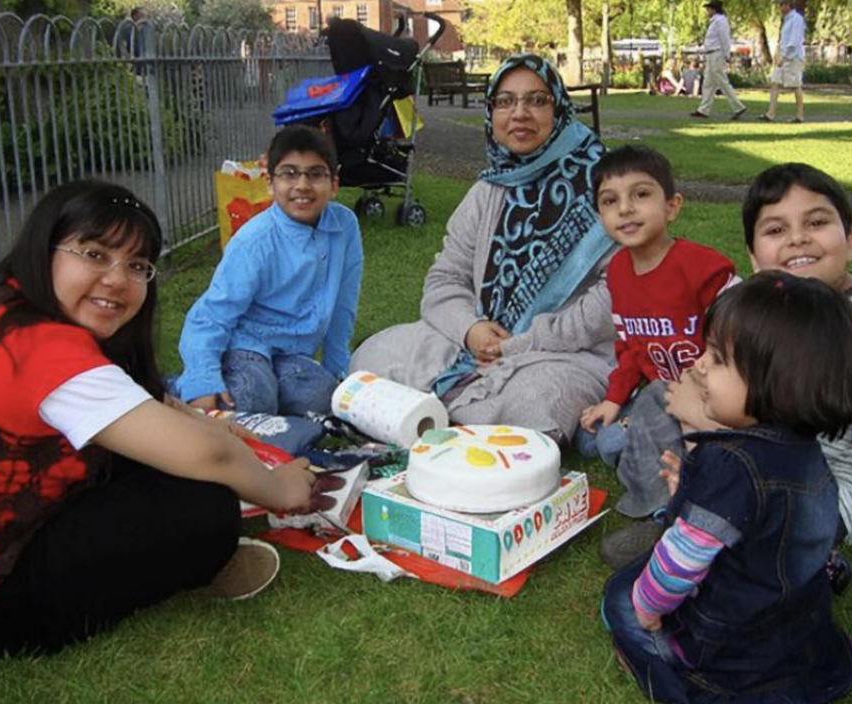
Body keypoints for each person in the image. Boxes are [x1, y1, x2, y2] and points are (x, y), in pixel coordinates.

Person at [0, 180, 338, 664]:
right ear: (45, 249)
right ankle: (191, 565)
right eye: (94, 254)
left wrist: (204, 422)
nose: (117, 279)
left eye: (136, 265)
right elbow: (209, 455)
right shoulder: (47, 353)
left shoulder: (6, 308)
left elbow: (144, 401)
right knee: (206, 509)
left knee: (169, 458)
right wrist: (279, 488)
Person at [614, 163, 852, 562]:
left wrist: (701, 417)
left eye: (816, 222)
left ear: (850, 241)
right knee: (668, 394)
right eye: (776, 230)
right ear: (754, 257)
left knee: (704, 424)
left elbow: (786, 443)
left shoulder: (848, 329)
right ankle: (670, 498)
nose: (798, 239)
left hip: (846, 495)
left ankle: (688, 519)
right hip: (804, 460)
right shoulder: (795, 310)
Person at [602, 270, 852, 704]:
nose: (699, 365)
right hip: (798, 631)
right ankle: (823, 669)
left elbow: (680, 560)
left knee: (620, 596)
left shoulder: (729, 463)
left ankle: (680, 682)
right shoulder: (806, 451)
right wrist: (689, 495)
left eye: (717, 358)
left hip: (731, 657)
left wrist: (648, 610)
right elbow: (775, 526)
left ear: (774, 380)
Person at [350, 54, 616, 442]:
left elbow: (617, 293)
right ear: (491, 114)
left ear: (559, 109)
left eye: (536, 100)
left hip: (561, 353)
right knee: (373, 356)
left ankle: (436, 414)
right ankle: (471, 418)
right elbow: (445, 279)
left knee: (539, 401)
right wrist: (471, 330)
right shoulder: (488, 189)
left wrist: (524, 342)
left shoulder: (604, 186)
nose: (519, 113)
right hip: (474, 343)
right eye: (505, 101)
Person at [575, 146, 737, 518]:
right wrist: (614, 399)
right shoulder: (618, 272)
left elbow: (740, 340)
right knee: (591, 438)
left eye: (641, 194)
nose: (625, 209)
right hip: (660, 396)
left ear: (671, 206)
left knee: (628, 439)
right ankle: (643, 444)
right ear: (600, 216)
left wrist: (705, 400)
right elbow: (631, 347)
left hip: (711, 400)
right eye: (610, 201)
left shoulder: (703, 267)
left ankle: (665, 502)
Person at [176, 125, 363, 416]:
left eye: (315, 174)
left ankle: (270, 387)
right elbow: (212, 314)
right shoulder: (254, 242)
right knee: (253, 398)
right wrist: (202, 381)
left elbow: (343, 303)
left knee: (326, 398)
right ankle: (186, 385)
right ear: (270, 184)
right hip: (245, 343)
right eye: (289, 174)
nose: (302, 185)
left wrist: (337, 368)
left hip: (291, 353)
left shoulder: (345, 226)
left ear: (334, 184)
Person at [690, 1, 747, 120]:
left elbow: (724, 39)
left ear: (714, 10)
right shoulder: (715, 21)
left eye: (709, 9)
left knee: (722, 81)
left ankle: (738, 106)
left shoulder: (720, 21)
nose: (707, 12)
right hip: (711, 54)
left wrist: (726, 55)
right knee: (708, 84)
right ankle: (703, 109)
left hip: (717, 54)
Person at [760, 0, 806, 123]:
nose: (780, 7)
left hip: (793, 58)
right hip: (783, 56)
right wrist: (778, 54)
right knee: (775, 83)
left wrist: (785, 57)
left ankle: (799, 115)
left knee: (795, 85)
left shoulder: (796, 19)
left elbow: (794, 41)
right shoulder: (786, 20)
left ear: (788, 5)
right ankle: (770, 113)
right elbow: (783, 40)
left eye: (782, 4)